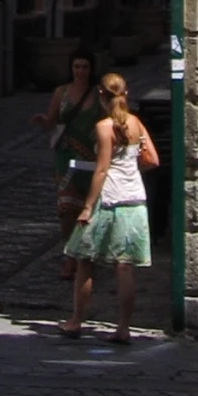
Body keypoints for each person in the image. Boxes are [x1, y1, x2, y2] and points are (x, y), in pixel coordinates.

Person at [59, 70, 158, 343]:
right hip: (135, 200)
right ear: (125, 94)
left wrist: (87, 206)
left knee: (85, 260)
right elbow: (153, 160)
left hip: (109, 200)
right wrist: (131, 169)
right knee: (124, 267)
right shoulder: (136, 123)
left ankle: (76, 321)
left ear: (101, 96)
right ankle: (124, 328)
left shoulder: (104, 128)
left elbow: (101, 170)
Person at [31, 45, 101, 280]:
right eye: (76, 67)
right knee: (66, 211)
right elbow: (52, 121)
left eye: (84, 67)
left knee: (87, 211)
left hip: (90, 160)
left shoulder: (98, 95)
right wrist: (44, 122)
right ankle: (69, 257)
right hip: (66, 158)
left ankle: (86, 256)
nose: (80, 71)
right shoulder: (61, 92)